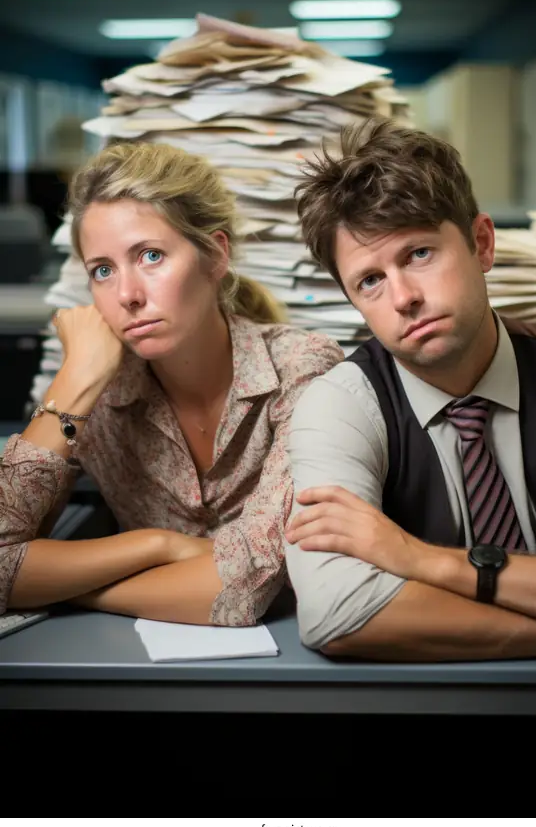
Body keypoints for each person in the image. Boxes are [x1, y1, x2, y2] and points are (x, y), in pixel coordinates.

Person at [284, 117, 536, 662]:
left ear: (481, 244)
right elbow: (334, 613)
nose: (402, 297)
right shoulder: (338, 402)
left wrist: (421, 560)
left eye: (419, 254)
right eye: (370, 280)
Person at [0, 141, 343, 626]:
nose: (127, 295)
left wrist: (65, 590)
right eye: (103, 270)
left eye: (151, 256)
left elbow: (242, 588)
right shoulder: (93, 391)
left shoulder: (302, 368)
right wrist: (155, 545)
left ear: (215, 255)